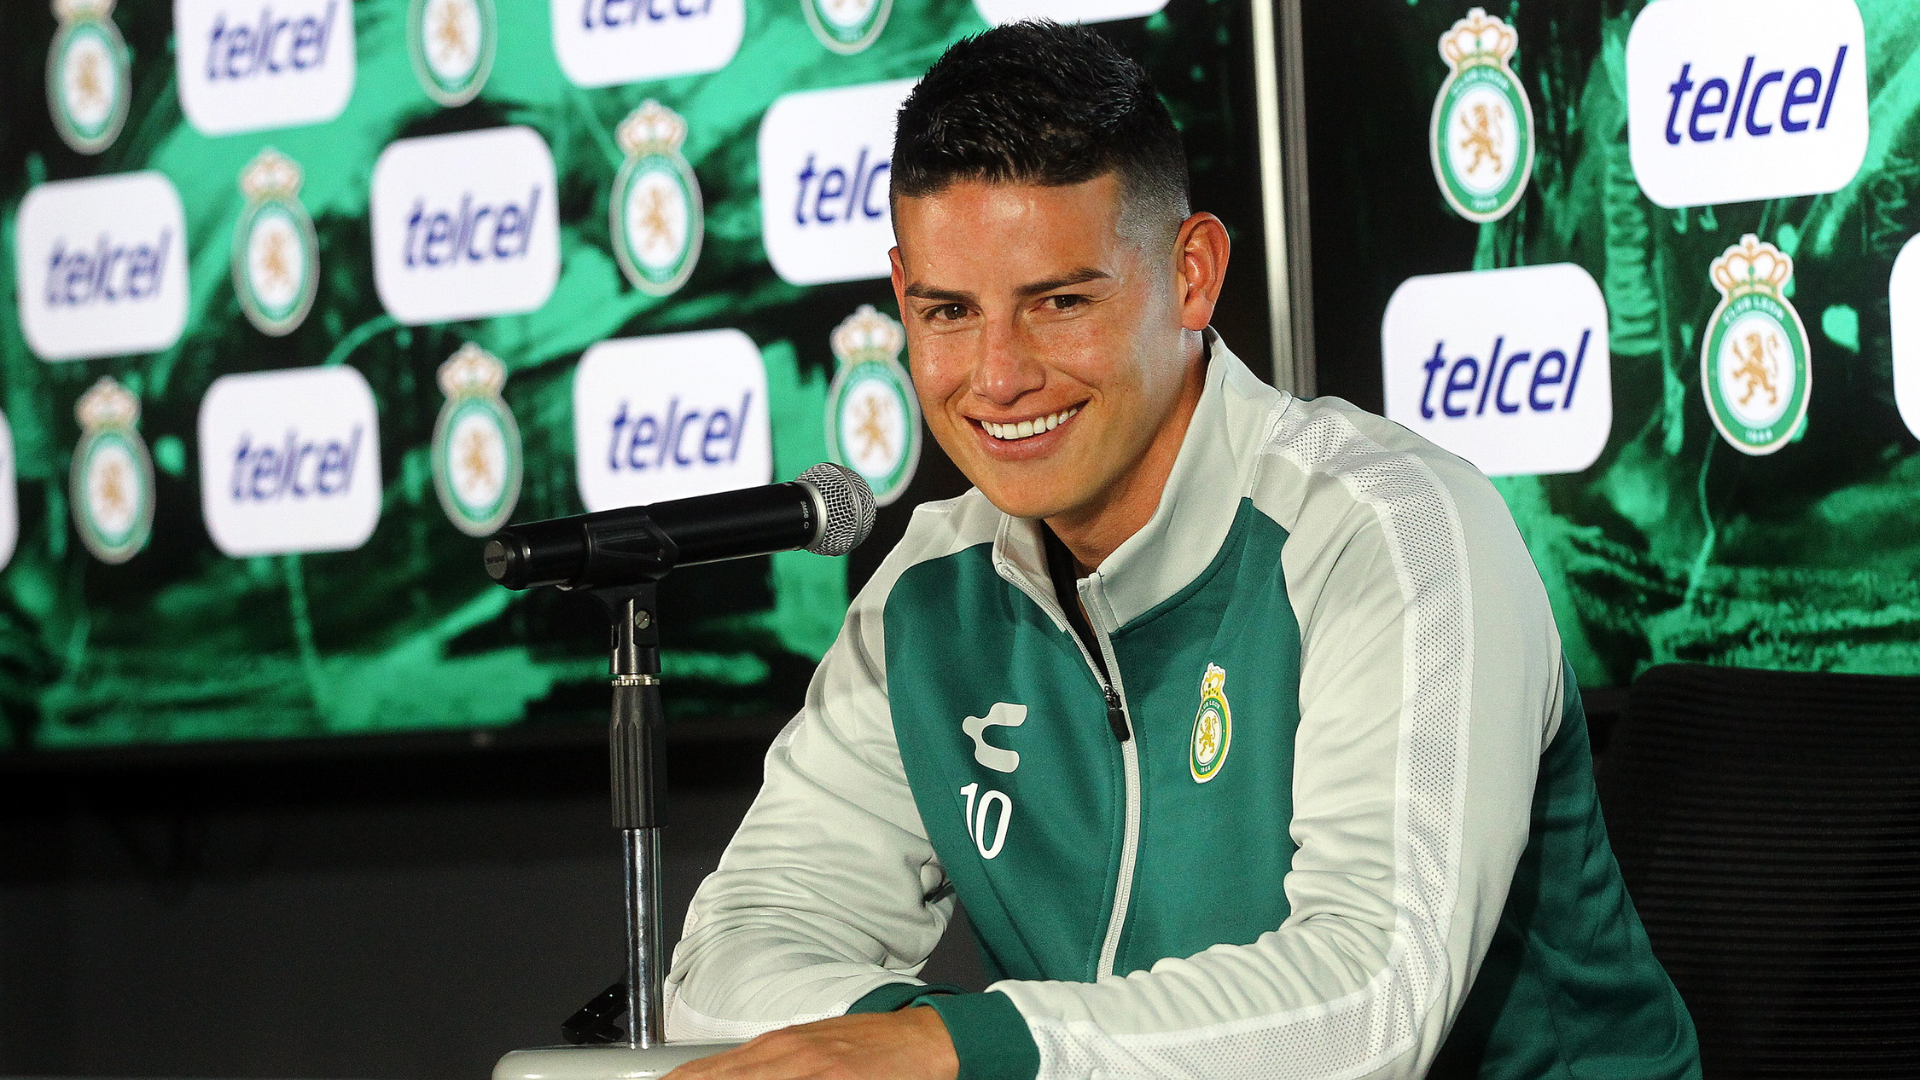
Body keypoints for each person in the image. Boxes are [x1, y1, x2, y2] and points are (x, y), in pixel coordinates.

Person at [663, 21, 1701, 1080]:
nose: (998, 375)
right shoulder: (927, 598)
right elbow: (730, 958)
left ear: (1193, 275)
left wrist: (961, 1048)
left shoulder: (1391, 529)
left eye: (1060, 302)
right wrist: (897, 1043)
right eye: (947, 312)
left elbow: (1370, 1002)